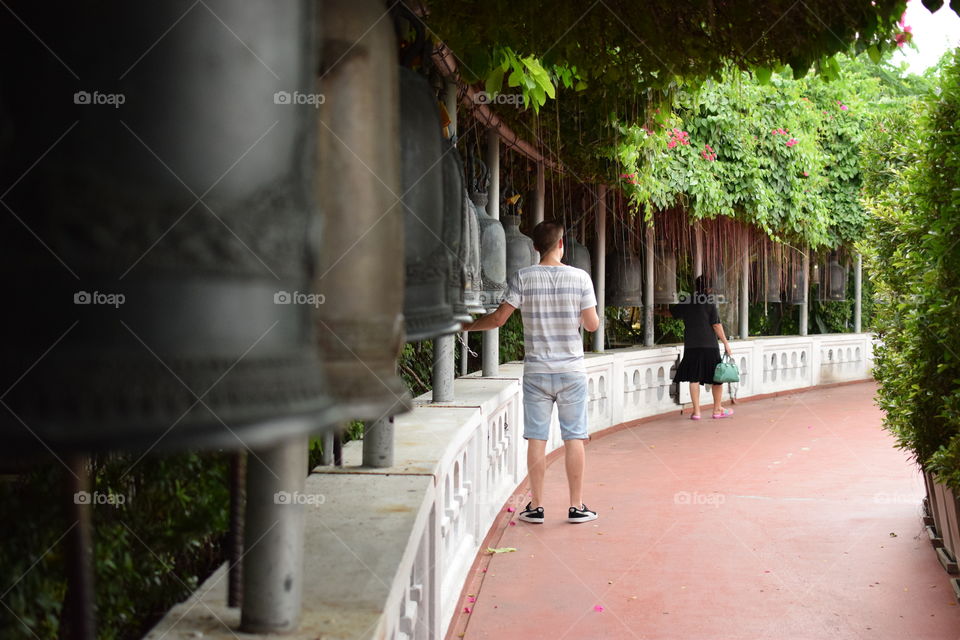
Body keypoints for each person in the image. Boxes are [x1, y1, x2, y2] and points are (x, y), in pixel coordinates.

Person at [461, 219, 601, 524]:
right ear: (561, 244)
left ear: (535, 247)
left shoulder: (523, 277)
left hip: (537, 372)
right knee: (574, 437)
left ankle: (536, 506)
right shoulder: (580, 278)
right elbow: (591, 325)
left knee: (536, 439)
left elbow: (498, 320)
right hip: (571, 371)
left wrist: (465, 326)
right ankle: (576, 506)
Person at [669, 274, 734, 420]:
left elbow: (672, 313)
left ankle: (696, 412)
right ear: (709, 288)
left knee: (694, 378)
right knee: (717, 379)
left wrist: (656, 311)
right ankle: (717, 410)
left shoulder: (687, 300)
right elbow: (716, 325)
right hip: (710, 345)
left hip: (692, 345)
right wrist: (726, 343)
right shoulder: (710, 301)